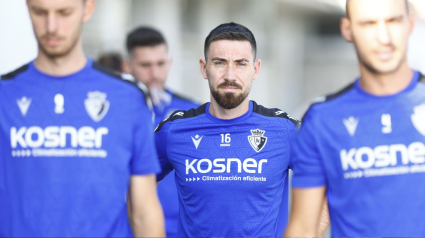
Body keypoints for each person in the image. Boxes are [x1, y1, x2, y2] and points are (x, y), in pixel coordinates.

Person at [0, 0, 164, 237]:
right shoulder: (5, 96)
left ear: (87, 9)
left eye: (64, 12)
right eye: (40, 12)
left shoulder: (127, 98)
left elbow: (143, 210)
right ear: (27, 8)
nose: (52, 26)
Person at [285, 0, 425, 236]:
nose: (384, 37)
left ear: (410, 23)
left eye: (393, 20)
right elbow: (304, 229)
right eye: (369, 24)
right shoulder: (322, 120)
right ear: (347, 29)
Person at [154, 22, 299, 237]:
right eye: (220, 63)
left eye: (241, 64)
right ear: (204, 68)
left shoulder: (284, 130)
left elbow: (331, 181)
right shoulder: (175, 131)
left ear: (255, 69)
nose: (230, 75)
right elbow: (129, 184)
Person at [124, 26, 199, 237]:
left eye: (160, 64)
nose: (155, 73)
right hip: (131, 230)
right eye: (145, 65)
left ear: (170, 63)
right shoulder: (113, 113)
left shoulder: (192, 112)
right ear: (127, 66)